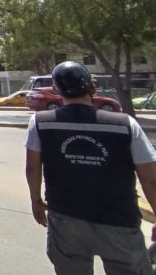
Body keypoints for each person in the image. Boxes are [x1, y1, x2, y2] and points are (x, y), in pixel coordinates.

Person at [25, 61, 156, 274]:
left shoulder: (41, 122)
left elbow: (32, 167)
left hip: (66, 219)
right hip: (119, 222)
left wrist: (36, 201)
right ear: (93, 88)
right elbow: (150, 178)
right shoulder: (125, 125)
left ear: (56, 91)